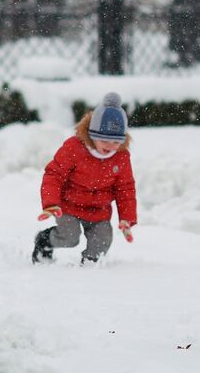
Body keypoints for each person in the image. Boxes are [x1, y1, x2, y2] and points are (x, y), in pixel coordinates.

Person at [33, 92, 137, 265]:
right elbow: (54, 174)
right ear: (93, 134)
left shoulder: (121, 157)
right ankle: (45, 241)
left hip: (99, 209)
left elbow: (125, 188)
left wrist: (127, 219)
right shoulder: (74, 148)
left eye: (116, 142)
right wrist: (51, 203)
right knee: (69, 237)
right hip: (68, 205)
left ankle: (88, 268)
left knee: (102, 241)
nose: (110, 147)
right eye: (105, 140)